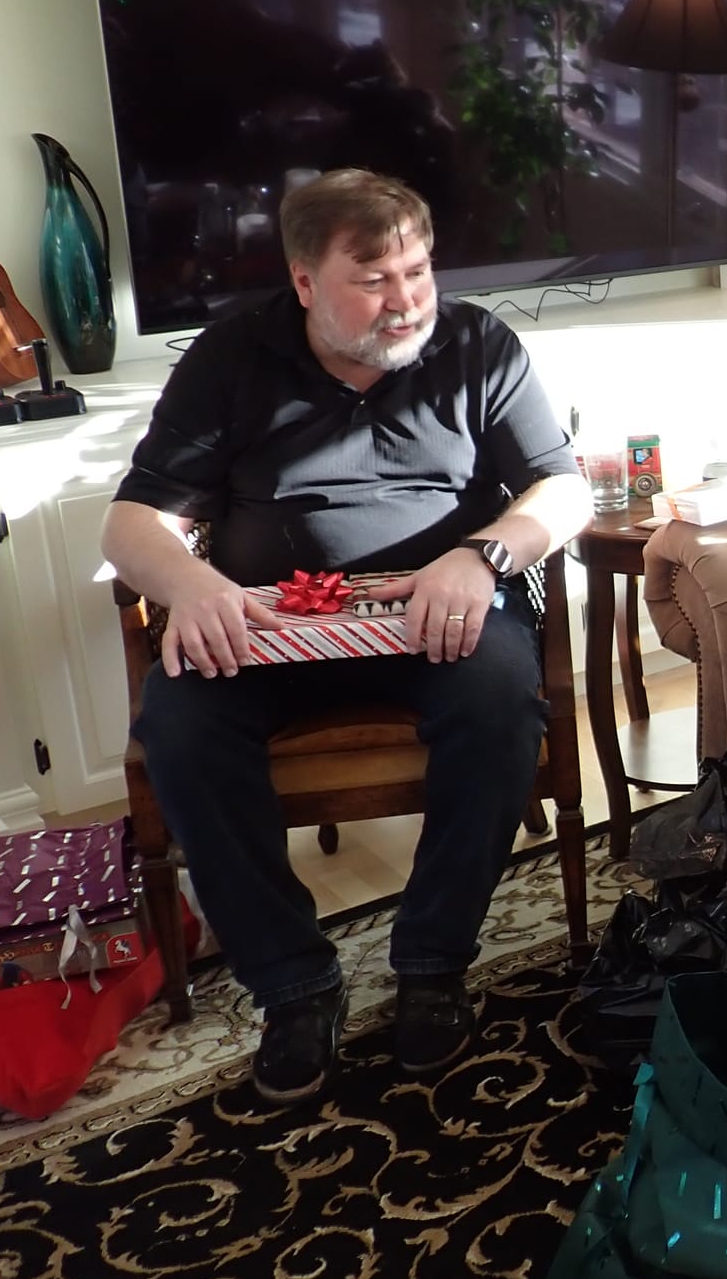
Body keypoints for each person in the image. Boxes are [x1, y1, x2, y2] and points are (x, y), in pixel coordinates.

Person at [101, 169, 593, 1105]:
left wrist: (482, 556)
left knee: (500, 704)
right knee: (180, 723)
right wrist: (192, 584)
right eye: (372, 280)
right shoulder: (232, 356)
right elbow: (131, 523)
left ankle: (433, 963)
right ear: (304, 282)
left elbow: (562, 488)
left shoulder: (478, 345)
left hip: (434, 617)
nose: (406, 300)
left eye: (418, 271)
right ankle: (294, 986)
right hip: (270, 627)